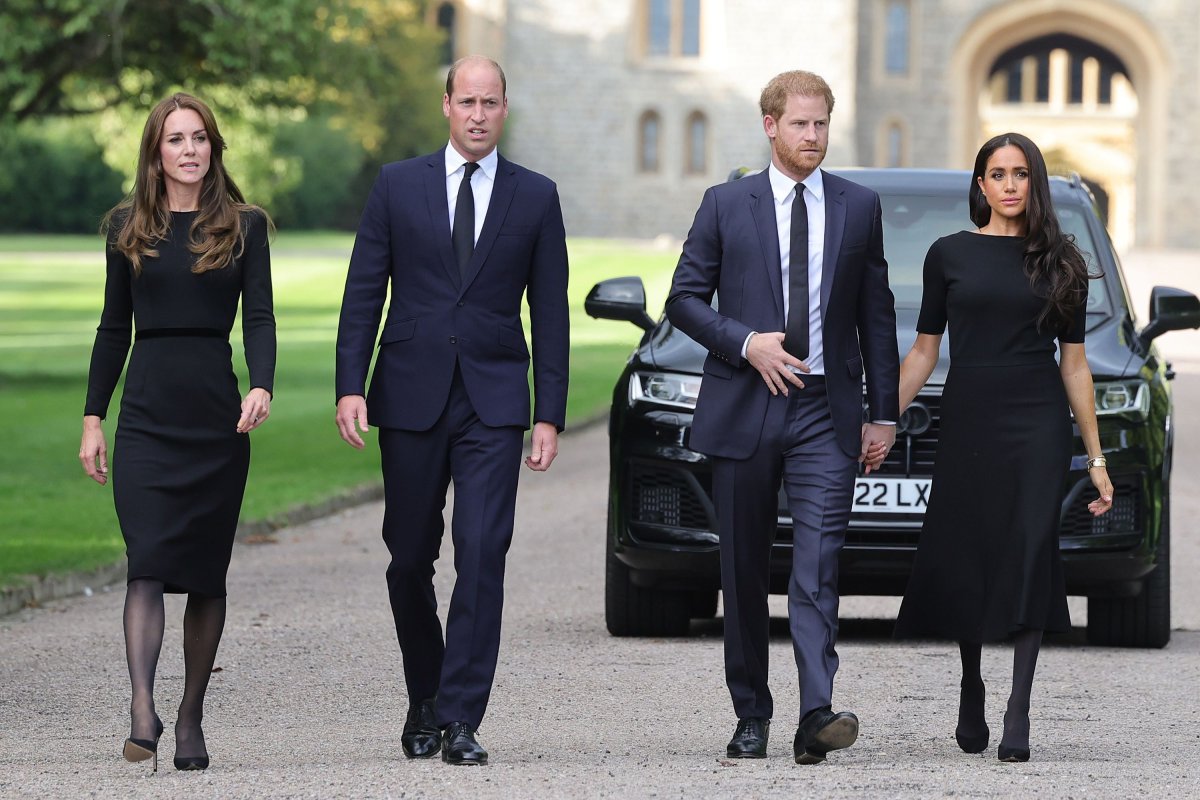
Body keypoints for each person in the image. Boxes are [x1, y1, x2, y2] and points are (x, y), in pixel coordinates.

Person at [334, 55, 569, 766]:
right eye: (465, 101)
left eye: (489, 102)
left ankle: (462, 717)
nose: (476, 114)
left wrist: (549, 412)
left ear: (505, 109)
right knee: (408, 559)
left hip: (494, 400)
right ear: (446, 106)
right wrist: (350, 385)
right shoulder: (397, 185)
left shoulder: (535, 195)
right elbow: (363, 290)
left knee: (482, 554)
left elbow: (551, 313)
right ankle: (426, 694)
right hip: (408, 392)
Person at [665, 70, 899, 764]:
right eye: (800, 124)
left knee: (818, 565)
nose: (813, 137)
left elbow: (876, 315)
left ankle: (816, 711)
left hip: (826, 410)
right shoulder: (724, 204)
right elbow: (682, 298)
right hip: (747, 403)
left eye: (822, 123)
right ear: (770, 125)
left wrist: (882, 413)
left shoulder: (859, 207)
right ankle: (751, 713)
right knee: (740, 568)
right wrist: (744, 342)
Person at [892, 132, 1113, 762]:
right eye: (997, 174)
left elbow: (1075, 367)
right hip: (970, 415)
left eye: (1020, 174)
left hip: (1038, 422)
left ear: (1034, 182)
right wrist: (880, 420)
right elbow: (924, 351)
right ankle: (971, 682)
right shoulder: (949, 255)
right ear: (981, 185)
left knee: (1029, 548)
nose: (1009, 184)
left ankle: (1019, 706)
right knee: (971, 549)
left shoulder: (1062, 261)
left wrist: (1095, 459)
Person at [79, 92, 275, 772]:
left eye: (200, 138)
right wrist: (93, 417)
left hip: (215, 421)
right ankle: (143, 711)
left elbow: (261, 319)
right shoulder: (125, 228)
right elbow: (111, 329)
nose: (190, 149)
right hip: (146, 420)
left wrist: (262, 383)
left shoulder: (244, 226)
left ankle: (189, 717)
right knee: (148, 564)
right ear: (156, 153)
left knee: (205, 576)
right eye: (175, 139)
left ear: (214, 148)